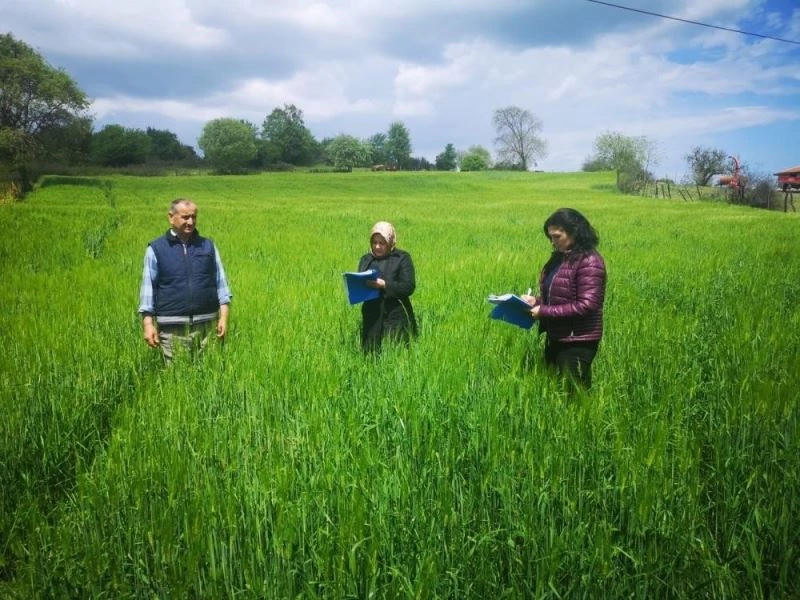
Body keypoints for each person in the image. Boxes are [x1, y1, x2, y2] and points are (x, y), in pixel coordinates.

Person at [521, 208, 606, 390]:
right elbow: (559, 297)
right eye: (550, 237)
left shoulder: (589, 261)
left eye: (557, 236)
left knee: (573, 397)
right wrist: (535, 301)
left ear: (574, 232)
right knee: (554, 390)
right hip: (557, 336)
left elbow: (587, 305)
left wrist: (543, 311)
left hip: (578, 341)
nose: (553, 242)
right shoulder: (560, 259)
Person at [138, 198, 232, 361]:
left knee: (210, 377)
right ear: (171, 217)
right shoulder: (156, 249)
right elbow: (148, 289)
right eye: (185, 217)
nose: (190, 222)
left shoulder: (208, 246)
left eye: (194, 217)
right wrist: (148, 324)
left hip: (208, 327)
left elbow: (221, 285)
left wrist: (223, 317)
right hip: (172, 329)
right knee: (177, 379)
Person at [358, 221, 418, 352]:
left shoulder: (402, 258)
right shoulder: (366, 259)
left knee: (395, 351)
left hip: (395, 314)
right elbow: (360, 282)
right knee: (370, 353)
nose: (377, 247)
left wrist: (385, 285)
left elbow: (408, 286)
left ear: (390, 242)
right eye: (374, 243)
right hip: (371, 314)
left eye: (382, 243)